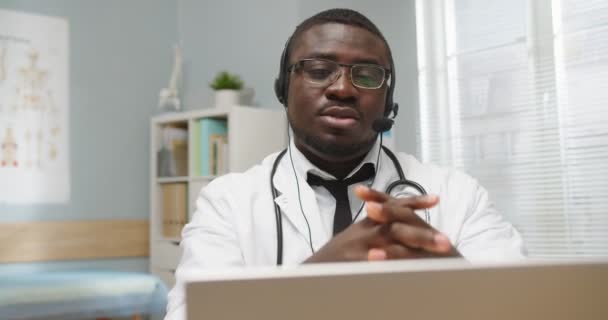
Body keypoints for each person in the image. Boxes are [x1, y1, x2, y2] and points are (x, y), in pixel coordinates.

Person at [165, 8, 524, 320]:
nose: (342, 89)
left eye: (367, 75)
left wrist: (460, 281)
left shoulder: (457, 196)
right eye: (319, 70)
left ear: (388, 103)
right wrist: (313, 281)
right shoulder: (227, 203)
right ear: (283, 89)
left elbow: (525, 307)